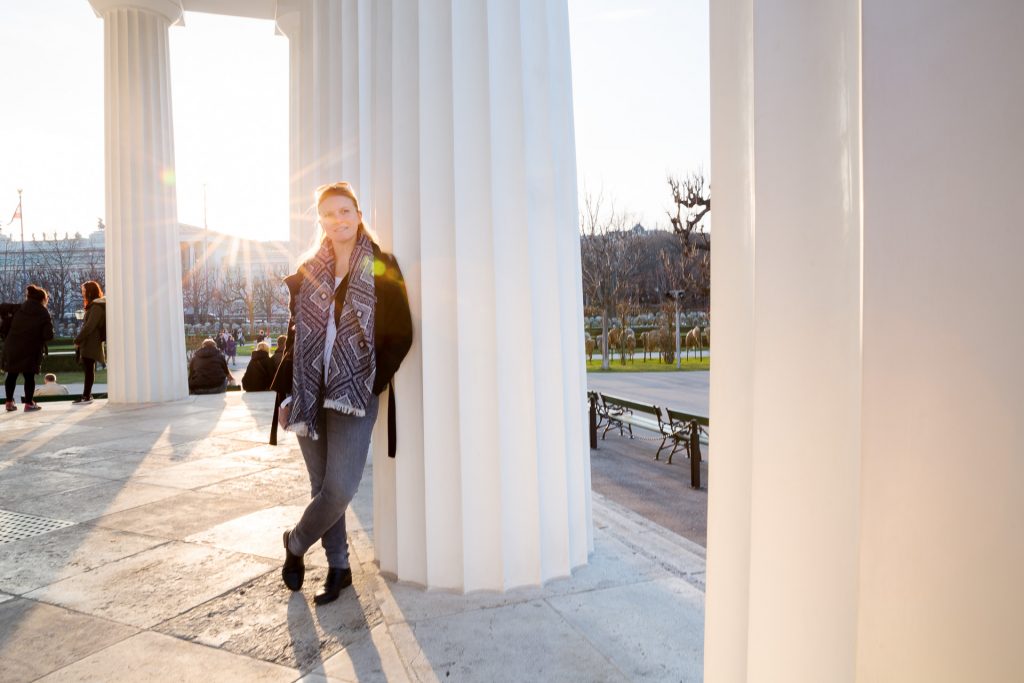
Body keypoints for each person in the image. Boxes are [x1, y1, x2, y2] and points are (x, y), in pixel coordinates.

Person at [273, 181, 412, 605]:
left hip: (354, 393)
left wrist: (371, 381)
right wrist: (285, 395)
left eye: (345, 211)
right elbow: (294, 338)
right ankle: (339, 567)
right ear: (321, 221)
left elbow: (402, 332)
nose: (338, 220)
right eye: (329, 214)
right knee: (321, 487)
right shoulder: (309, 269)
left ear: (358, 213)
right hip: (307, 392)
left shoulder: (381, 264)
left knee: (339, 488)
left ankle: (294, 544)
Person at [2, 285, 54, 412]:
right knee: (29, 376)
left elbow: (2, 307)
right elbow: (48, 335)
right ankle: (29, 403)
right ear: (43, 299)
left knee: (11, 374)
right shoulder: (43, 313)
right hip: (31, 349)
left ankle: (9, 402)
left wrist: (6, 321)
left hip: (12, 346)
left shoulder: (18, 308)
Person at [73, 280, 106, 405]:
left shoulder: (96, 307)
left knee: (89, 369)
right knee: (88, 369)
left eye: (84, 291)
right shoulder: (95, 305)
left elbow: (89, 326)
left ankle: (86, 396)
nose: (82, 293)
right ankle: (86, 395)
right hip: (90, 341)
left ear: (90, 292)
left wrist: (77, 340)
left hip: (91, 342)